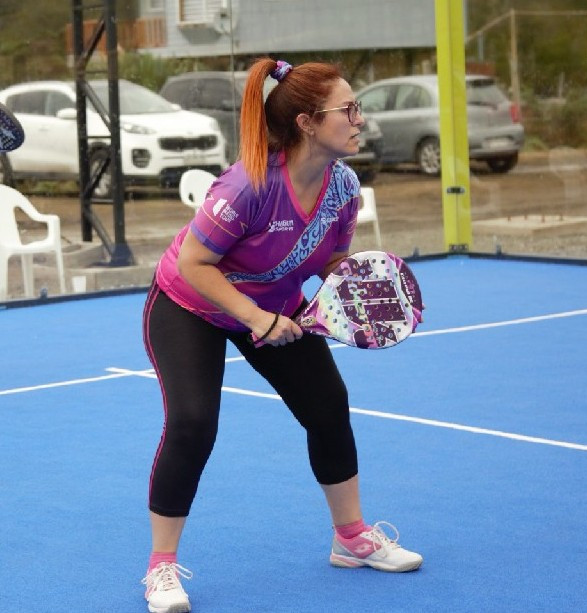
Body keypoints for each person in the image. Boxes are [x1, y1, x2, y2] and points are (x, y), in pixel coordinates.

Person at [141, 57, 423, 613]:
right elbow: (196, 263)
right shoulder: (248, 185)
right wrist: (256, 318)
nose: (360, 120)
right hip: (190, 303)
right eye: (349, 110)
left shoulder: (344, 186)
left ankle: (351, 538)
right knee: (193, 423)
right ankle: (161, 568)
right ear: (307, 123)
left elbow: (331, 259)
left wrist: (358, 287)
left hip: (272, 301)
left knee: (328, 405)